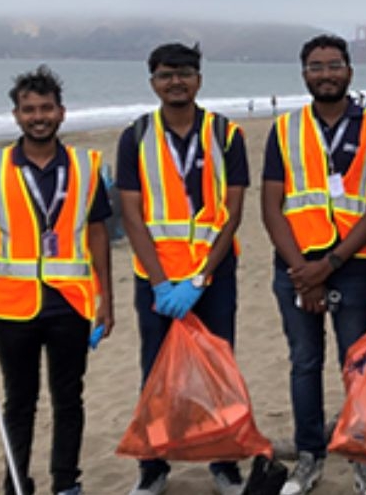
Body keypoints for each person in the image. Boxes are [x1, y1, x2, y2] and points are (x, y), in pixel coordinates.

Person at [0, 66, 114, 495]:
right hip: (13, 306)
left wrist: (106, 300)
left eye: (46, 108)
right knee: (19, 403)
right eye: (29, 109)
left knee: (68, 399)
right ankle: (17, 483)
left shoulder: (86, 164)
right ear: (16, 115)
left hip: (72, 303)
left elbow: (98, 234)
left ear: (61, 113)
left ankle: (66, 483)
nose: (38, 116)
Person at [260, 35, 366, 495]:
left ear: (350, 72)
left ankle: (362, 459)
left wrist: (331, 263)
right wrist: (303, 270)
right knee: (304, 363)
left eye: (334, 65)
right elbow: (271, 205)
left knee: (358, 365)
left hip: (355, 265)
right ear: (304, 74)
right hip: (296, 266)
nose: (325, 74)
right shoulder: (284, 129)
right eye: (315, 66)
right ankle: (310, 457)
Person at [116, 43, 250, 495]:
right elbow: (131, 214)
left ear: (199, 78)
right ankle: (153, 467)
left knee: (219, 367)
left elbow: (232, 212)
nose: (177, 81)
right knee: (156, 372)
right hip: (156, 278)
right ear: (152, 80)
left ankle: (224, 462)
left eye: (186, 73)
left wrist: (199, 278)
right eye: (166, 74)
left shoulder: (226, 134)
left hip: (212, 275)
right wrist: (159, 281)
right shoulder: (135, 135)